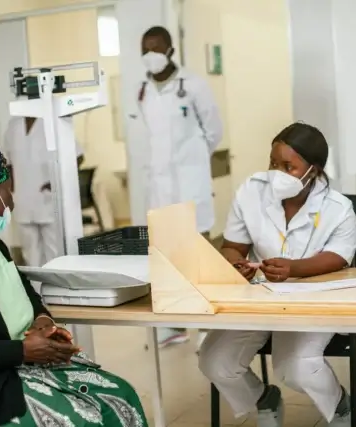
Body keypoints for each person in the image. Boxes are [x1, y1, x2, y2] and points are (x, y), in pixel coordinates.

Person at [0, 139, 147, 427]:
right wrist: (21, 351)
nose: (11, 201)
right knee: (76, 419)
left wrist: (42, 321)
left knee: (121, 395)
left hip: (24, 362)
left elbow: (26, 293)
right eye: (7, 190)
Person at [198, 123, 356, 427]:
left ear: (314, 170)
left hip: (313, 299)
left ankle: (340, 407)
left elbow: (339, 257)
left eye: (289, 167)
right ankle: (263, 399)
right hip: (261, 296)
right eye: (273, 163)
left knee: (294, 367)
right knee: (215, 360)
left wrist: (293, 268)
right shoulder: (251, 191)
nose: (277, 173)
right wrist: (236, 265)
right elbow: (232, 247)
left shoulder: (337, 208)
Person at [134, 26, 223, 348]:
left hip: (190, 181)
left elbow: (213, 131)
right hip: (160, 185)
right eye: (145, 49)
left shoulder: (193, 85)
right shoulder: (143, 90)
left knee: (198, 252)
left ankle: (208, 326)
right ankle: (175, 324)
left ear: (170, 50)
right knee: (167, 255)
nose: (151, 55)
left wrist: (193, 161)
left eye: (156, 48)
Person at [3, 116, 84, 269]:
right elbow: (8, 163)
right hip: (22, 198)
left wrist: (57, 179)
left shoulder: (52, 121)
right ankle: (35, 284)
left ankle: (56, 283)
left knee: (54, 252)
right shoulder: (13, 126)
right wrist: (8, 190)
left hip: (49, 198)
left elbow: (78, 156)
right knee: (30, 254)